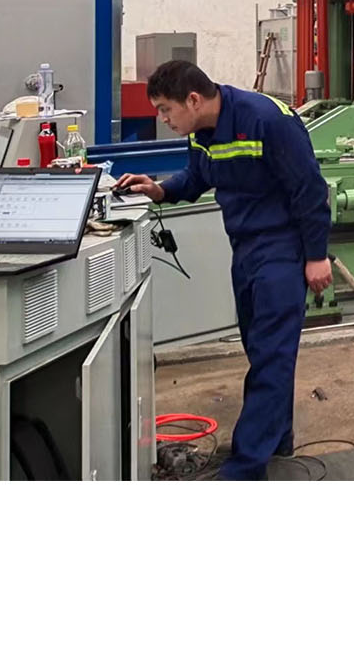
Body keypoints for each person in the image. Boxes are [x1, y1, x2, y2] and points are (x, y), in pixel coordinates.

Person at [116, 61, 331, 480]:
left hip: (283, 249)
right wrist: (160, 189)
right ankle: (275, 438)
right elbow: (197, 177)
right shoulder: (201, 132)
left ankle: (245, 468)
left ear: (193, 99)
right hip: (246, 249)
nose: (163, 119)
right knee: (262, 350)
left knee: (271, 356)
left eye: (165, 109)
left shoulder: (267, 120)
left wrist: (316, 255)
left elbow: (310, 189)